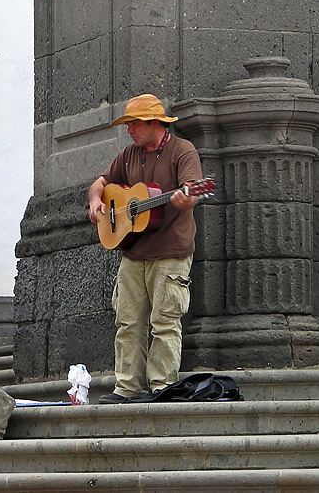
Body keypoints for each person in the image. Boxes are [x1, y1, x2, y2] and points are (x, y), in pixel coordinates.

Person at [88, 94, 203, 404]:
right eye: (128, 124)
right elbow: (100, 183)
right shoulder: (128, 155)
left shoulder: (183, 151)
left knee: (165, 322)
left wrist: (187, 198)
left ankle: (162, 387)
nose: (130, 130)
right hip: (133, 252)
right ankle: (126, 387)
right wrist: (95, 200)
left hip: (171, 251)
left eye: (134, 123)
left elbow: (192, 191)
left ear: (155, 124)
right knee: (127, 321)